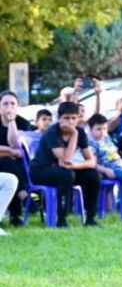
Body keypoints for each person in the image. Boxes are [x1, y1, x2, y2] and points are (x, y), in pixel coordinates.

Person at [30, 102, 102, 227]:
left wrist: (74, 166)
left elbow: (91, 161)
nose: (70, 122)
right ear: (59, 119)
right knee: (66, 175)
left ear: (78, 118)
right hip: (41, 171)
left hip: (65, 170)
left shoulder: (80, 131)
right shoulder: (52, 133)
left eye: (74, 118)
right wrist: (74, 135)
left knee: (93, 175)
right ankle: (61, 219)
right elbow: (66, 159)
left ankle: (91, 218)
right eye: (66, 118)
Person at [0, 90, 35, 226]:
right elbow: (13, 149)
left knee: (10, 165)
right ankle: (22, 200)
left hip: (13, 164)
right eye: (5, 103)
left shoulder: (23, 123)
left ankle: (15, 211)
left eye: (13, 104)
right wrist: (9, 151)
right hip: (9, 163)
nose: (9, 107)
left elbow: (15, 144)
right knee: (9, 163)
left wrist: (12, 122)